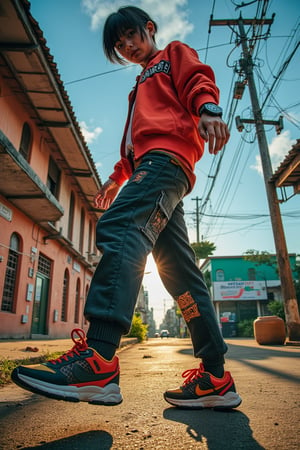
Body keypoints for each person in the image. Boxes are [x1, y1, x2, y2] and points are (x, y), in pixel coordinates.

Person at [12, 6, 242, 410]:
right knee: (181, 276)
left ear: (148, 29)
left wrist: (208, 109)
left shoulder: (171, 54)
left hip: (165, 165)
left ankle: (98, 358)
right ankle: (216, 376)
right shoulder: (139, 88)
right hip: (157, 171)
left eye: (131, 37)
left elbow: (197, 79)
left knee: (120, 227)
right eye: (120, 45)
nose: (128, 47)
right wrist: (117, 178)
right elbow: (135, 147)